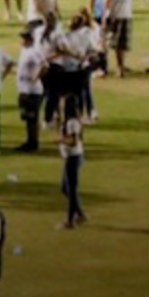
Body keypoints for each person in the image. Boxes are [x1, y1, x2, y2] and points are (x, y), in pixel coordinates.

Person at [57, 96, 86, 229]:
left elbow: (73, 142)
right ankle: (80, 213)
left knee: (71, 189)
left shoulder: (72, 122)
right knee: (65, 188)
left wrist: (60, 141)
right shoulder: (70, 121)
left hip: (73, 157)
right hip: (72, 157)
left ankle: (70, 221)